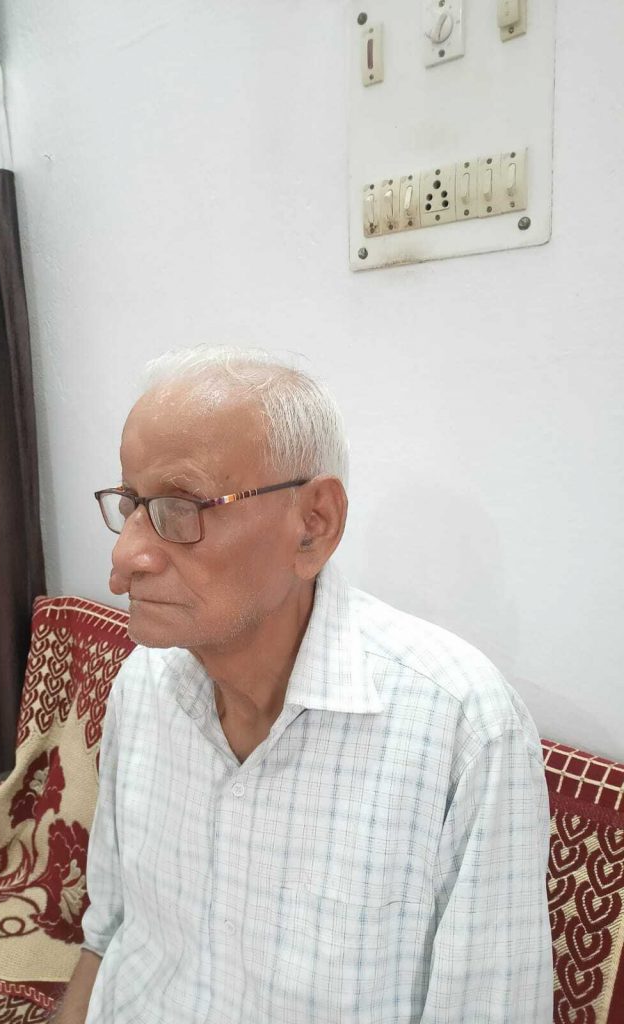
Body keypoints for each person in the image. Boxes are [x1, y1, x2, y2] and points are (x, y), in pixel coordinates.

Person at [52, 346, 553, 1024]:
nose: (124, 557)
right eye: (131, 505)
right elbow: (109, 935)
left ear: (313, 525)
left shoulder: (462, 731)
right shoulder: (143, 682)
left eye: (180, 507)